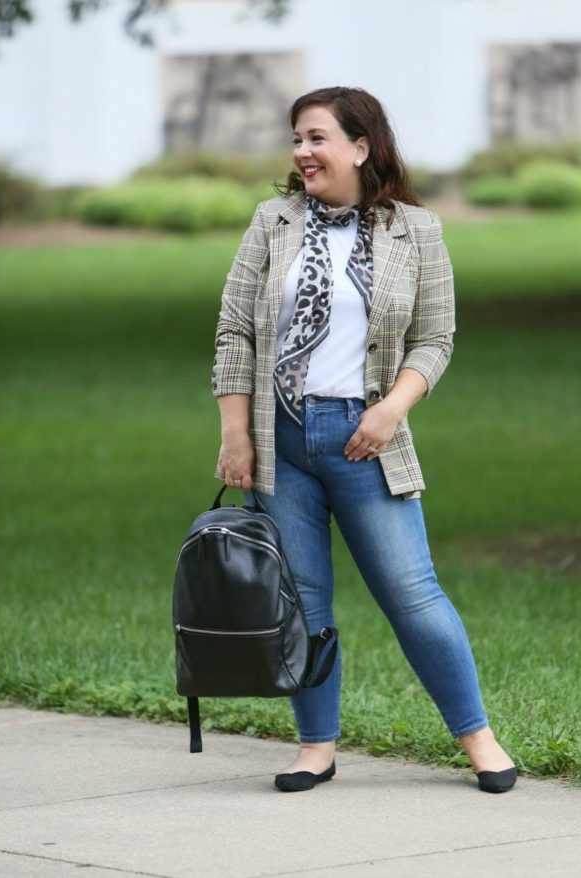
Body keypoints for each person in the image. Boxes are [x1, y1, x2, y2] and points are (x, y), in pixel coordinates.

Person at [211, 86, 516, 794]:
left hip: (366, 439)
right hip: (280, 438)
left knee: (414, 594)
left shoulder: (418, 231)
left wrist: (390, 413)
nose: (301, 152)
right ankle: (316, 747)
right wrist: (236, 434)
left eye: (316, 137)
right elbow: (234, 331)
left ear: (361, 146)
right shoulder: (271, 222)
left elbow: (434, 339)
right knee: (306, 600)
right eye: (296, 139)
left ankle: (479, 740)